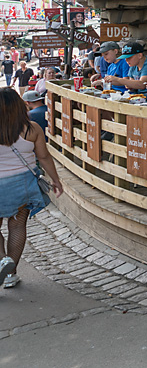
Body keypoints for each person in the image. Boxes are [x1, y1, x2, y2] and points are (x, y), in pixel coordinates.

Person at [0, 87, 63, 290]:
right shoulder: (32, 128)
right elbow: (44, 157)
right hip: (23, 185)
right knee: (17, 227)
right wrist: (56, 180)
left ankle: (2, 261)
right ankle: (10, 274)